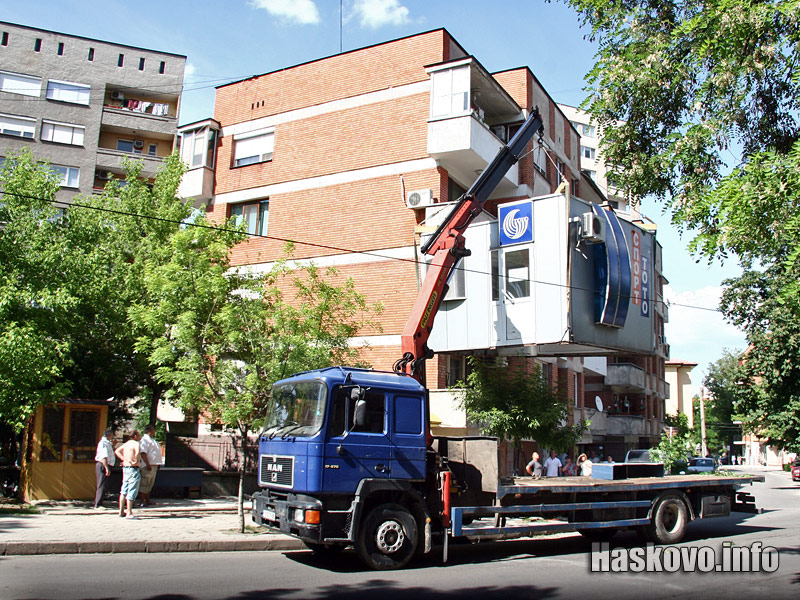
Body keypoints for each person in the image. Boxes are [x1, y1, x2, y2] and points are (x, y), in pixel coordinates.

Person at [114, 430, 143, 520]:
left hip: (126, 467)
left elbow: (117, 451)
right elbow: (137, 452)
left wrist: (124, 459)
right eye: (138, 435)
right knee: (132, 489)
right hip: (133, 468)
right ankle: (129, 512)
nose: (139, 436)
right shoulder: (136, 444)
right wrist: (135, 460)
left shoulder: (126, 444)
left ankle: (121, 510)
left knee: (124, 490)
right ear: (135, 436)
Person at [138, 424, 162, 507]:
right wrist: (147, 464)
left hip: (154, 465)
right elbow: (143, 453)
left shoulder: (153, 440)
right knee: (144, 483)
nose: (154, 432)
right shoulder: (144, 440)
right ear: (149, 431)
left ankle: (147, 500)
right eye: (153, 430)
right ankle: (142, 500)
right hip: (148, 465)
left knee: (149, 484)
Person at [93, 428, 115, 509]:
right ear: (110, 435)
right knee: (101, 485)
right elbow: (104, 457)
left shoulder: (107, 443)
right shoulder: (103, 443)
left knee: (105, 485)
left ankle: (101, 502)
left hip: (107, 464)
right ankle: (98, 504)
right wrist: (106, 468)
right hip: (103, 464)